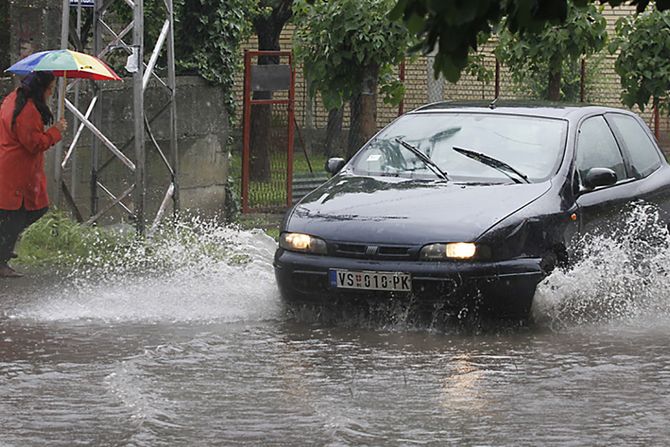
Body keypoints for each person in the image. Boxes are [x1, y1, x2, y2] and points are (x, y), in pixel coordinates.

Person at [0, 71, 68, 277]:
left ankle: (4, 251)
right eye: (50, 88)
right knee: (19, 215)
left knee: (16, 215)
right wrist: (56, 131)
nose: (51, 93)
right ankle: (2, 259)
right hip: (17, 172)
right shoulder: (27, 111)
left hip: (13, 168)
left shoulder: (13, 99)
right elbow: (34, 143)